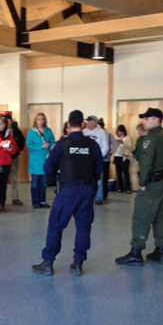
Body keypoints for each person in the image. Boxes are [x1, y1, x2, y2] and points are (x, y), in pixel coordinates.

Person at [31, 110, 103, 276]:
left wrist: (55, 178)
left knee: (56, 225)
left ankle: (48, 263)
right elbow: (99, 169)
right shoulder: (92, 145)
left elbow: (48, 168)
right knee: (83, 226)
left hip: (67, 191)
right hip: (86, 190)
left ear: (69, 125)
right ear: (83, 125)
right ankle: (78, 263)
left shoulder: (61, 145)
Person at [115, 108, 163, 266]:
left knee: (141, 217)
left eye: (147, 119)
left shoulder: (151, 138)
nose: (144, 122)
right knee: (161, 216)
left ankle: (136, 253)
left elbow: (147, 162)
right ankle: (160, 251)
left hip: (152, 183)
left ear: (156, 120)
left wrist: (142, 183)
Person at [26, 113, 55, 208]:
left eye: (42, 119)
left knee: (43, 183)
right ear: (36, 120)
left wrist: (48, 145)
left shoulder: (48, 131)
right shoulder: (31, 132)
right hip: (35, 162)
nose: (41, 121)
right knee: (34, 183)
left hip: (45, 160)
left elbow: (53, 142)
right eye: (39, 119)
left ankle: (43, 201)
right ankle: (36, 202)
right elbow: (29, 145)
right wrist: (40, 147)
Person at [83, 115, 109, 205]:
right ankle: (88, 196)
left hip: (97, 159)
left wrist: (98, 156)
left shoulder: (102, 132)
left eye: (89, 121)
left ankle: (98, 197)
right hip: (86, 160)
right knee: (86, 178)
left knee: (99, 179)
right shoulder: (83, 132)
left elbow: (105, 146)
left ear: (94, 123)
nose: (87, 123)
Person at [9, 119, 26, 206]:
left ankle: (15, 198)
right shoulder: (0, 131)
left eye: (9, 120)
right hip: (3, 158)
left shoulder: (16, 130)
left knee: (14, 178)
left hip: (14, 157)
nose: (8, 122)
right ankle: (1, 199)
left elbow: (22, 141)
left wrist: (19, 148)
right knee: (1, 179)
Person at [98, 118, 116, 200]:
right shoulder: (96, 133)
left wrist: (111, 153)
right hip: (97, 159)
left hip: (105, 160)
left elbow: (115, 145)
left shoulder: (109, 134)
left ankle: (104, 194)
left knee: (105, 177)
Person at [112, 124, 132, 194]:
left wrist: (123, 143)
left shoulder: (127, 137)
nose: (119, 133)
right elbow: (113, 147)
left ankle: (128, 188)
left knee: (125, 172)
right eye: (118, 132)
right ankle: (120, 187)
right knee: (118, 172)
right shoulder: (115, 137)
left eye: (121, 132)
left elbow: (130, 147)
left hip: (124, 157)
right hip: (117, 156)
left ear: (124, 132)